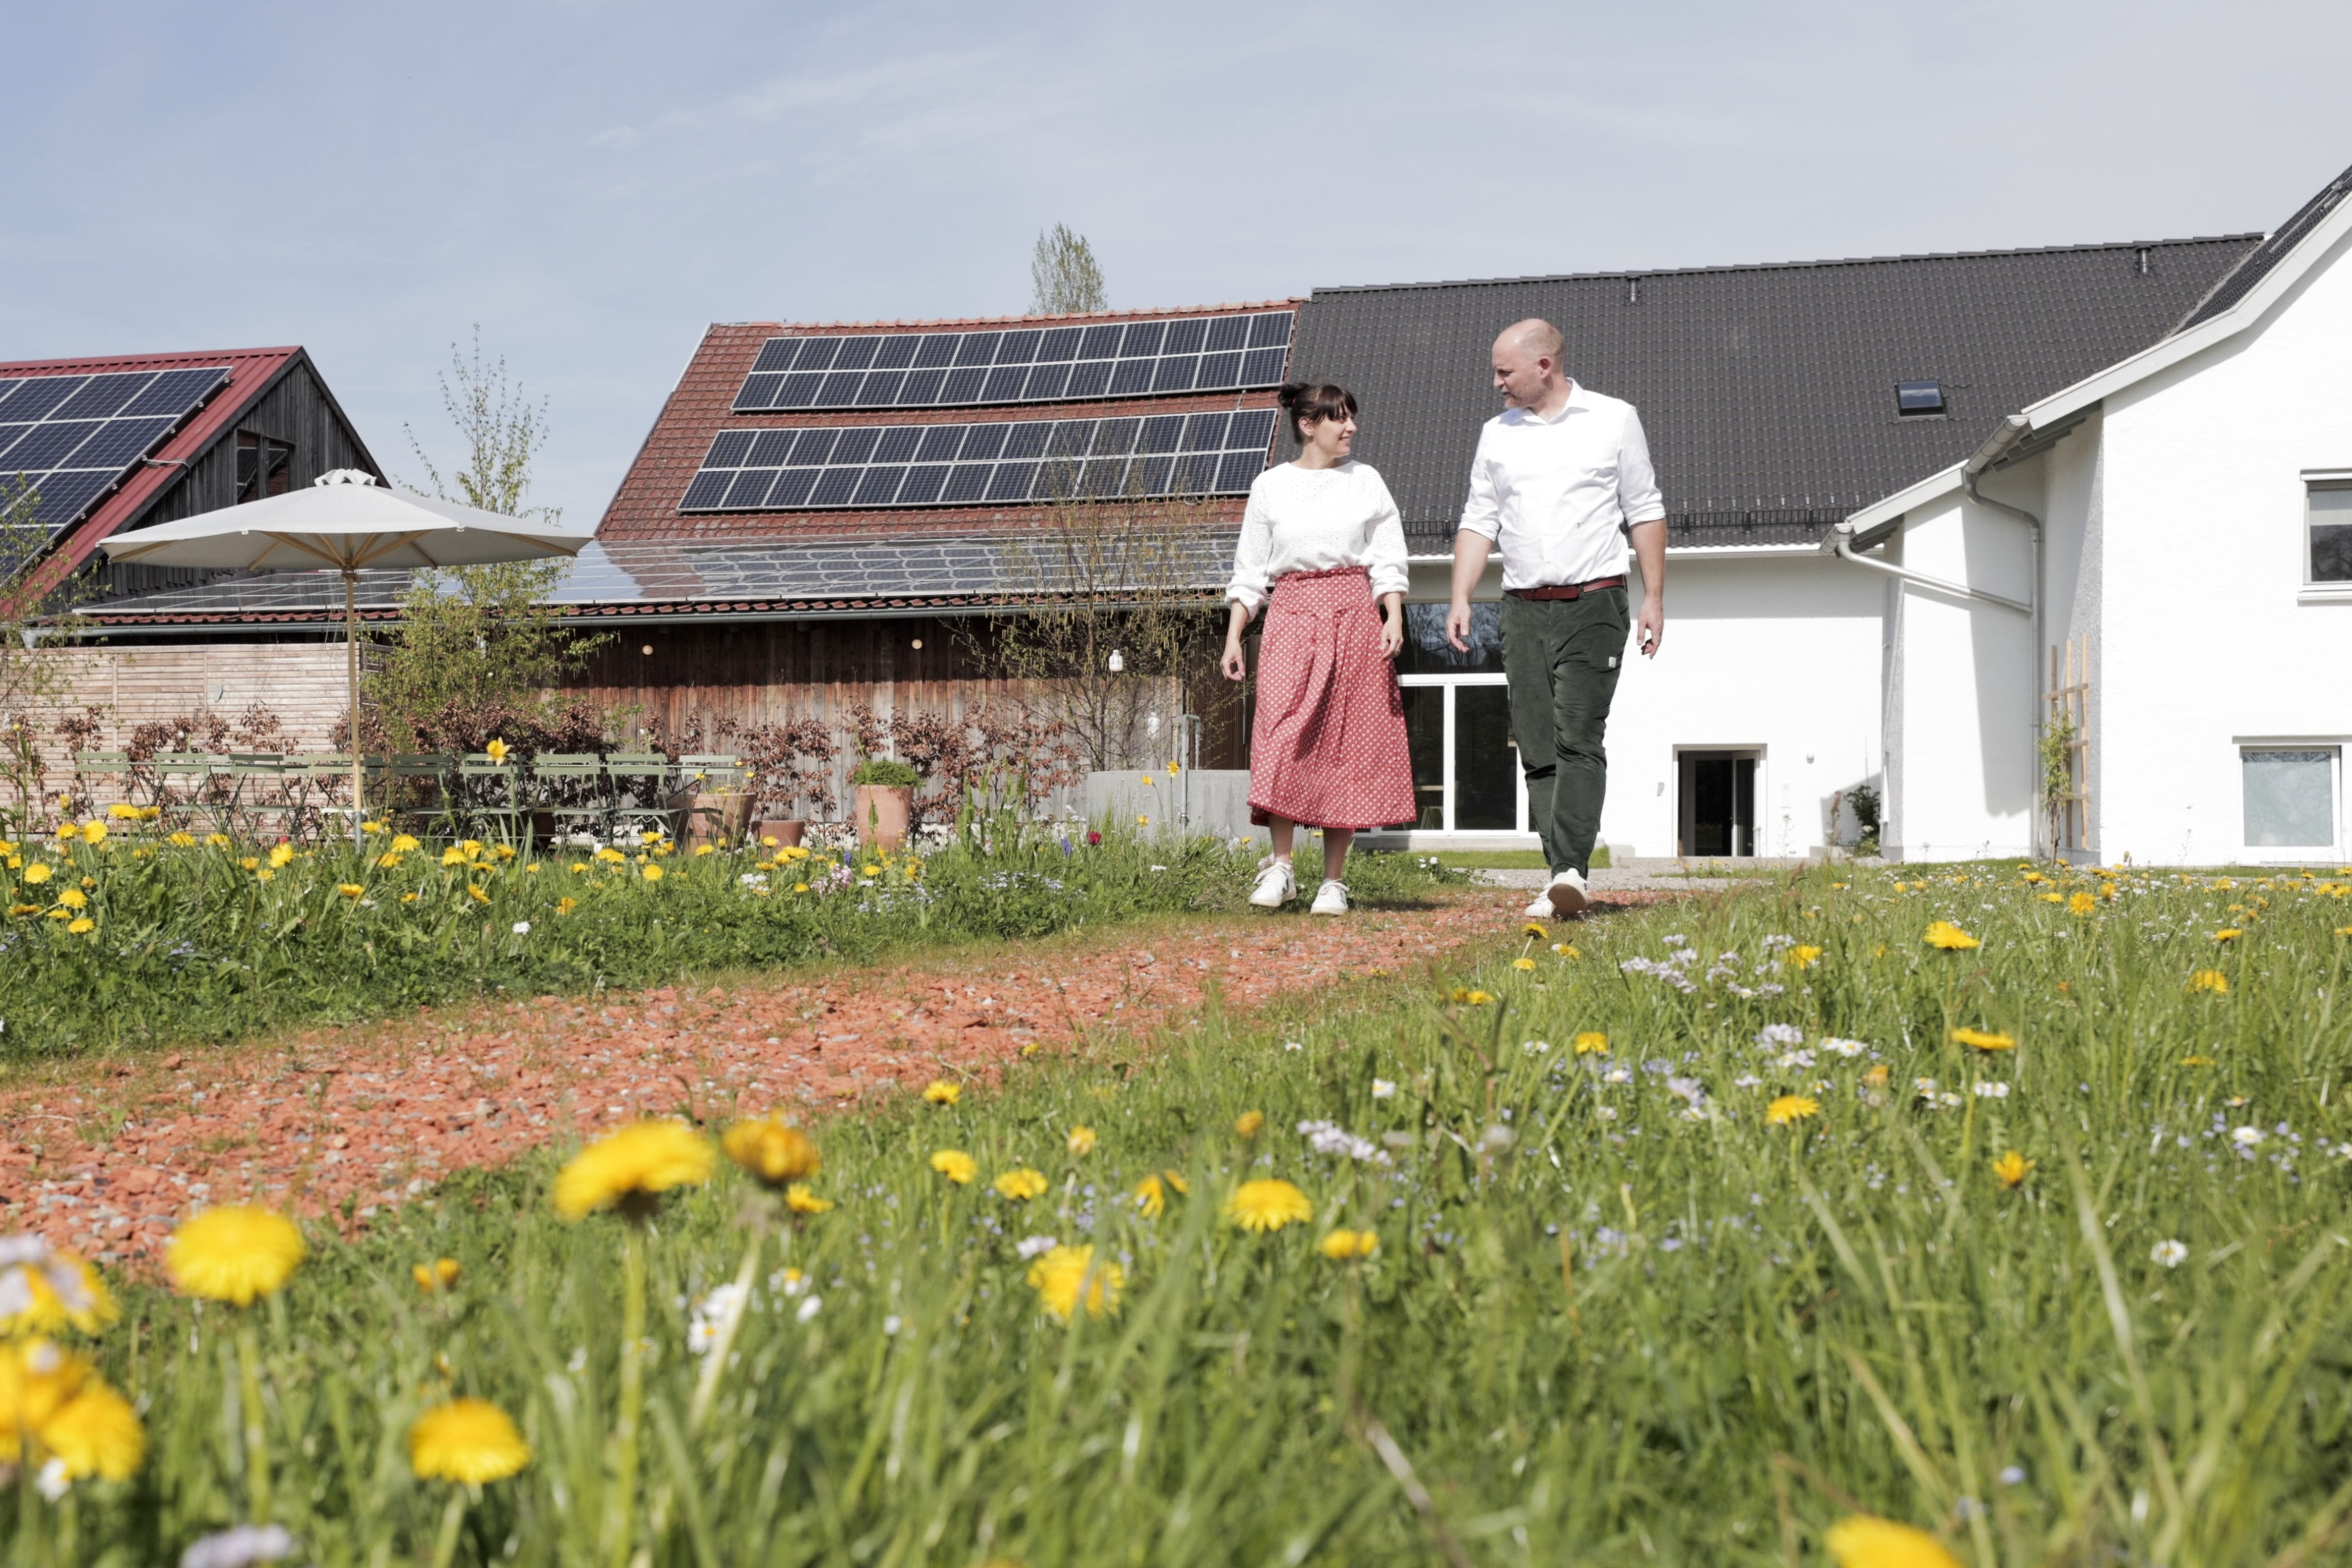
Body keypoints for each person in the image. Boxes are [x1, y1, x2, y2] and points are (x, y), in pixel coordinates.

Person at [1448, 319, 1665, 921]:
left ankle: (1571, 869)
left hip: (1594, 604)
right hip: (1520, 609)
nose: (1496, 383)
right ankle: (1560, 874)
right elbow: (1478, 518)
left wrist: (1654, 598)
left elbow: (1644, 510)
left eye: (1504, 371)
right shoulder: (1497, 435)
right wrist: (1462, 594)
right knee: (1538, 747)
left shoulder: (1614, 419)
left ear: (1543, 365)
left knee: (1578, 738)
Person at [1222, 381, 1416, 915]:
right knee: (1280, 737)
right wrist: (1235, 634)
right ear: (1309, 425)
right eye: (1340, 418)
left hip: (1354, 612)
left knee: (1346, 742)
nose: (1351, 427)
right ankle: (1282, 868)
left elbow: (1387, 554)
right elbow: (1250, 570)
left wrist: (1392, 612)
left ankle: (1333, 882)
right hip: (1289, 616)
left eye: (1352, 417)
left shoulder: (1366, 481)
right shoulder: (1270, 486)